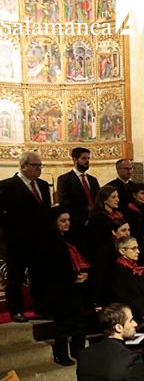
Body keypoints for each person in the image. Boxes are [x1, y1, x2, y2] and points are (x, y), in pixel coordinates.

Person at [0, 151, 52, 322]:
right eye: (35, 165)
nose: (39, 169)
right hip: (17, 241)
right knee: (15, 277)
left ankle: (41, 305)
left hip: (40, 240)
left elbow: (45, 212)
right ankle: (16, 310)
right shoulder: (7, 186)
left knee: (40, 275)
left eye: (40, 165)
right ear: (23, 166)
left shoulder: (43, 185)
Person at [46, 206, 91, 365]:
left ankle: (79, 352)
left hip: (76, 287)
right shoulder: (48, 240)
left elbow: (81, 258)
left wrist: (84, 273)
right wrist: (73, 277)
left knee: (79, 321)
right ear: (54, 222)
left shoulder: (71, 237)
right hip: (60, 289)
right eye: (63, 221)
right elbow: (50, 267)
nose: (67, 224)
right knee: (63, 324)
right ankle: (61, 354)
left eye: (69, 220)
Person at [110, 236, 144, 323]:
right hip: (134, 317)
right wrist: (142, 312)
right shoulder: (117, 271)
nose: (138, 251)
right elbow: (123, 297)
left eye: (137, 248)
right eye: (134, 249)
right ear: (122, 251)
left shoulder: (136, 267)